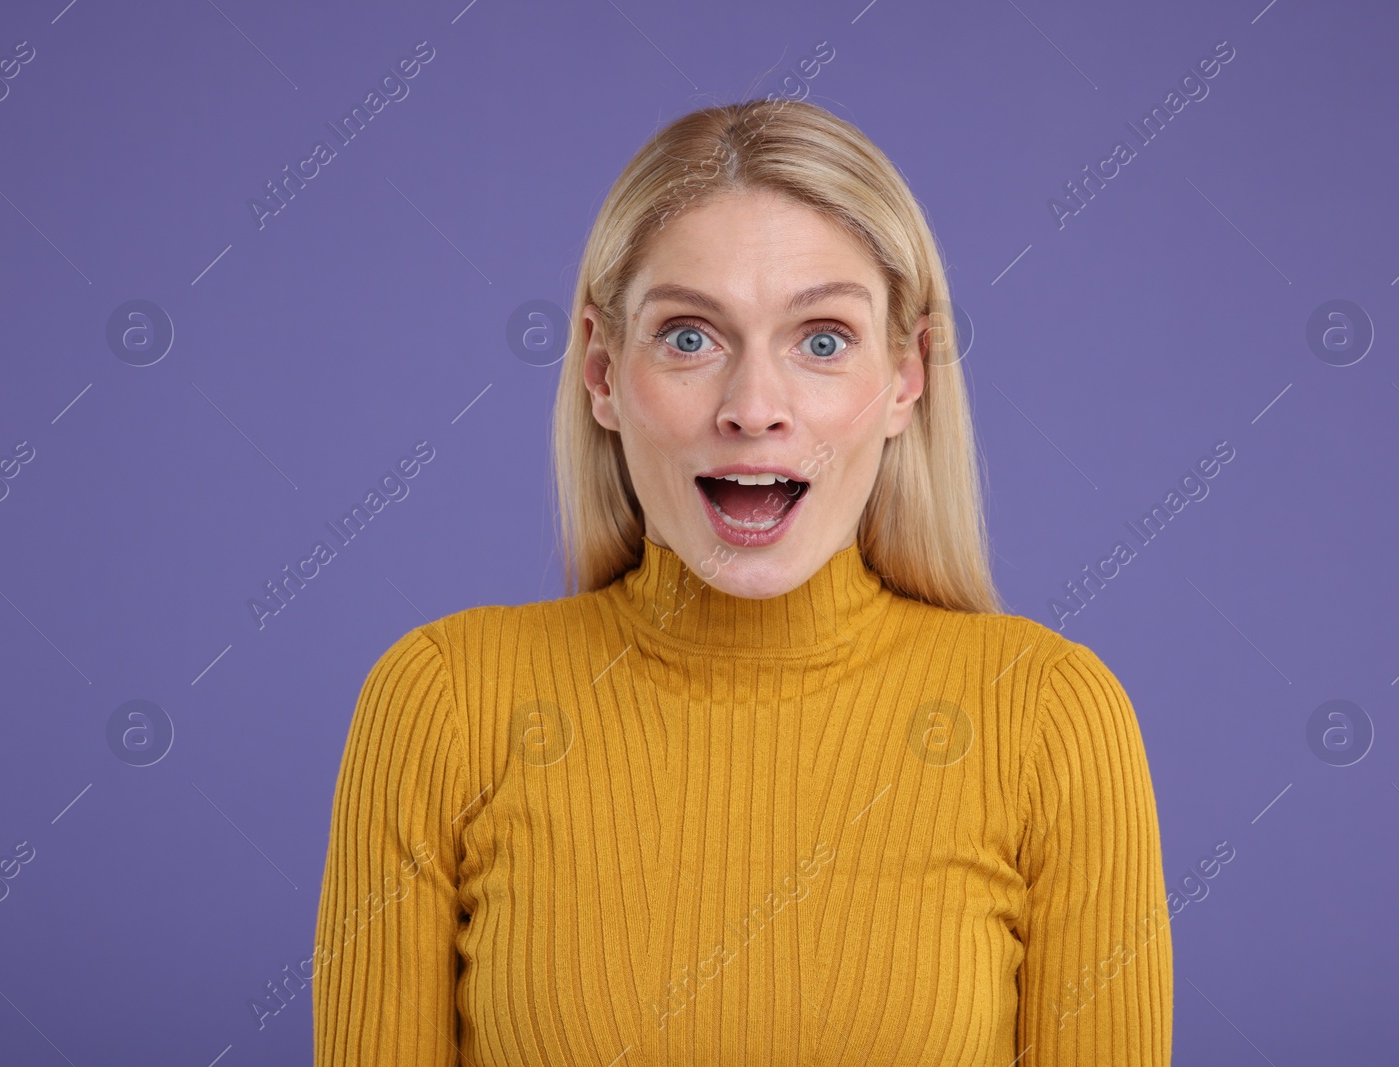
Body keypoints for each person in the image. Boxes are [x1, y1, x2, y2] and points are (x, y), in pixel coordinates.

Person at [312, 97, 1172, 1065]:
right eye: (689, 336)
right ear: (600, 370)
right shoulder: (443, 700)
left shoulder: (1051, 715)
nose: (753, 407)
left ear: (904, 377)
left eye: (821, 339)